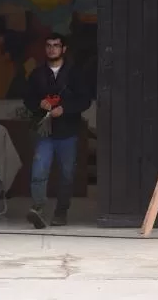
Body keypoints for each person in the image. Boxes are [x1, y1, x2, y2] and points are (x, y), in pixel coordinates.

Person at [23, 33, 91, 228]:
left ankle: (61, 212)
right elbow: (27, 99)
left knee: (67, 175)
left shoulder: (75, 73)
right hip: (44, 132)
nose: (52, 49)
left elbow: (85, 100)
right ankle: (38, 209)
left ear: (64, 49)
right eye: (48, 45)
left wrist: (65, 109)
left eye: (56, 45)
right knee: (39, 170)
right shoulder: (37, 74)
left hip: (68, 131)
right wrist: (39, 104)